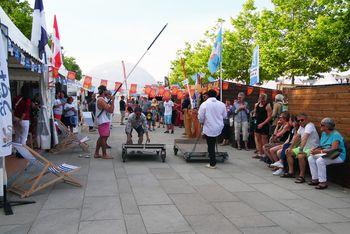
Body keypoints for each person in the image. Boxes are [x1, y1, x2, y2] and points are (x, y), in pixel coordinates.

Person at [308, 118, 346, 189]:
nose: (320, 126)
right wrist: (315, 150)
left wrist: (319, 152)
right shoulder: (324, 133)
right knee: (311, 157)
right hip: (326, 153)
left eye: (322, 125)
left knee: (320, 160)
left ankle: (323, 182)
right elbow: (322, 146)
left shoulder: (336, 135)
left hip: (338, 155)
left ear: (327, 127)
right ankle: (315, 179)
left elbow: (334, 149)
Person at [282, 113, 320, 183]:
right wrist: (291, 147)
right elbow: (297, 137)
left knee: (300, 155)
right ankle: (291, 172)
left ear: (306, 119)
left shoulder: (310, 126)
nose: (300, 122)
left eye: (302, 120)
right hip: (305, 147)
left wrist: (300, 149)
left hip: (312, 148)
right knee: (288, 152)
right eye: (298, 120)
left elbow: (305, 138)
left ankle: (301, 176)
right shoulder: (301, 126)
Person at [198, 89, 226, 169]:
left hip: (209, 127)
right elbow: (224, 116)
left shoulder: (204, 104)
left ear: (208, 95)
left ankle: (212, 163)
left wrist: (202, 122)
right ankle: (212, 160)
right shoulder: (221, 104)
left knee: (210, 145)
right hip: (219, 127)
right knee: (212, 143)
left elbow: (200, 117)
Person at [94, 85, 114, 159]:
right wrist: (113, 101)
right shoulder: (100, 100)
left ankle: (96, 153)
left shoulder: (102, 99)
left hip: (104, 120)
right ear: (103, 91)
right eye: (105, 90)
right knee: (103, 138)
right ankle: (104, 154)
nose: (107, 91)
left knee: (102, 137)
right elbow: (110, 110)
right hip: (103, 121)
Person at [252, 93, 272, 159]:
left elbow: (269, 117)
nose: (262, 101)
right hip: (257, 123)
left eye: (263, 100)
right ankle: (260, 153)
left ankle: (265, 155)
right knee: (258, 139)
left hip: (264, 124)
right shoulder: (256, 104)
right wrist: (254, 114)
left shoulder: (267, 106)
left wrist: (262, 124)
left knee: (264, 140)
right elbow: (255, 112)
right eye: (261, 99)